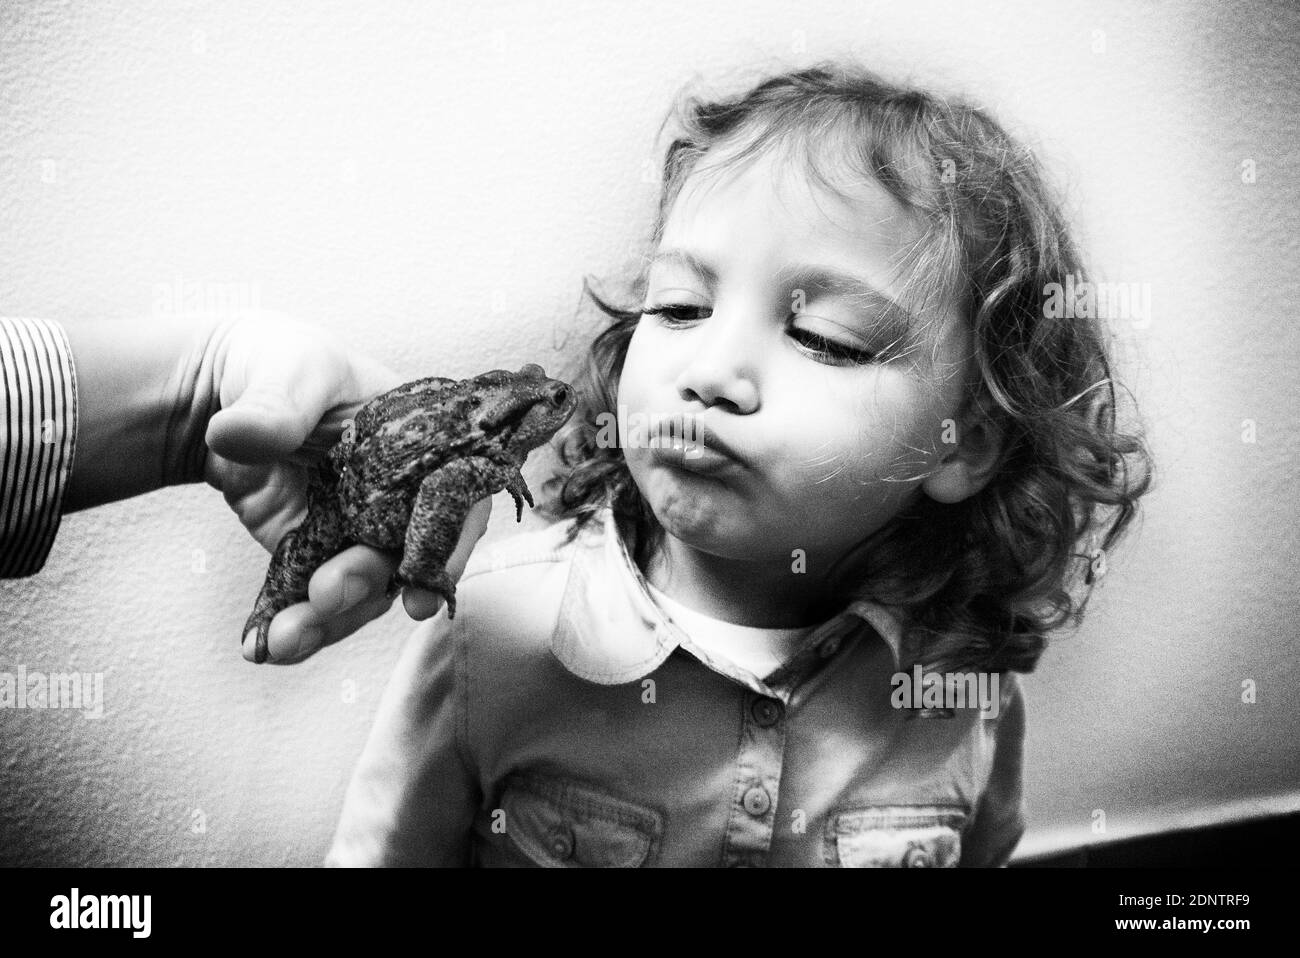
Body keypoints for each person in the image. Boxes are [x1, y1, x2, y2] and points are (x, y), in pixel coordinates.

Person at [325, 60, 1153, 867]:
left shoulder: (962, 679)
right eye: (680, 307)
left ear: (966, 443)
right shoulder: (491, 626)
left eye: (825, 338)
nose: (712, 372)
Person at [0, 311, 491, 664]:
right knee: (337, 568)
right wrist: (205, 375)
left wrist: (207, 376)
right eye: (550, 401)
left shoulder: (481, 441)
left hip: (349, 492)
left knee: (336, 575)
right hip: (351, 492)